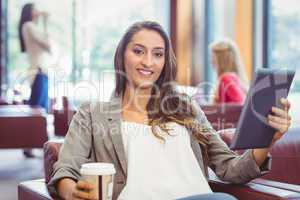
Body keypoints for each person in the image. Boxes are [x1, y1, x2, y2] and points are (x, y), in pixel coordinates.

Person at [47, 21, 292, 200]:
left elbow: (229, 169)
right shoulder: (92, 114)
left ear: (165, 61)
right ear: (122, 56)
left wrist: (265, 143)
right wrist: (71, 192)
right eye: (138, 51)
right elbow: (65, 169)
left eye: (158, 54)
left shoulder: (186, 108)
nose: (148, 62)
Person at [18, 3, 51, 111]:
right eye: (34, 9)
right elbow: (47, 45)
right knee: (38, 110)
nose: (37, 11)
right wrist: (45, 22)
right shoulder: (28, 26)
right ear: (29, 11)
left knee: (41, 110)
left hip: (41, 71)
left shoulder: (32, 27)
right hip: (38, 71)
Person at [210, 39, 248, 104]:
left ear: (221, 59)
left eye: (213, 57)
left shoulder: (226, 79)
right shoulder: (234, 77)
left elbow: (240, 103)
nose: (211, 61)